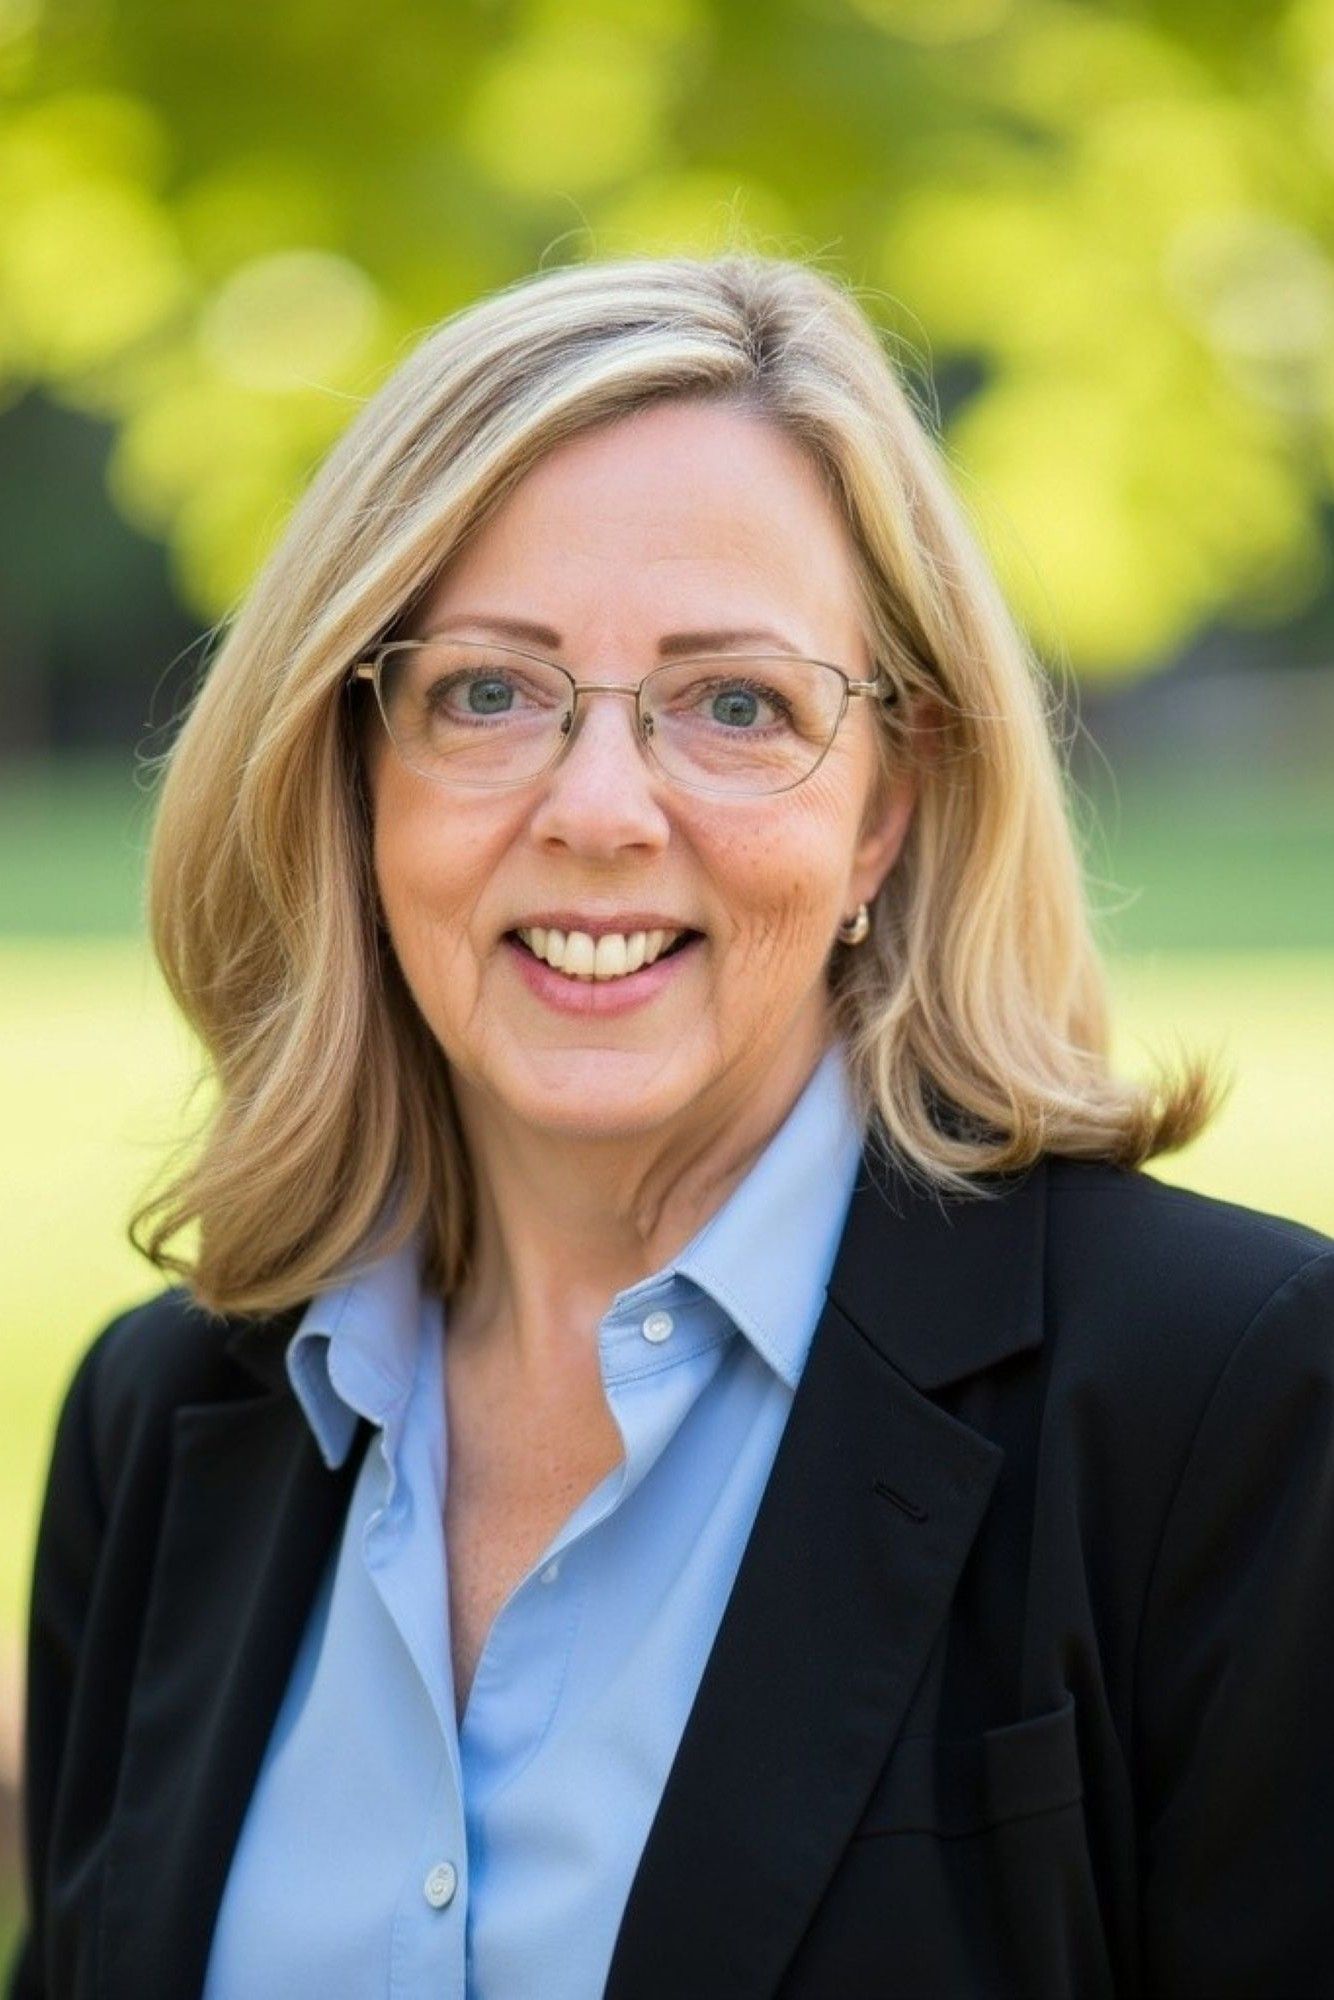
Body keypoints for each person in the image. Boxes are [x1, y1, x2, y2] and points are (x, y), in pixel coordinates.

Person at [8, 251, 1333, 2000]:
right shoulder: (165, 1418)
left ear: (882, 818)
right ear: (351, 773)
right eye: (486, 692)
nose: (601, 811)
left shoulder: (1226, 1400)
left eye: (735, 706)